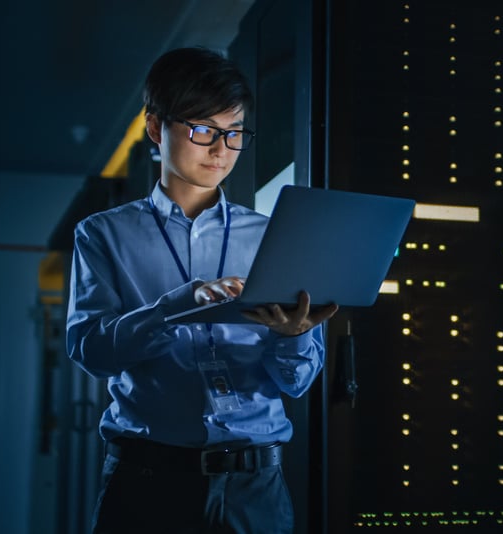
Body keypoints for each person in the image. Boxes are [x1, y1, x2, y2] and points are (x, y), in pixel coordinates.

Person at [66, 46, 338, 534]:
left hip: (256, 486)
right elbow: (92, 352)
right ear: (155, 128)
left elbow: (296, 382)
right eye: (203, 130)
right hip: (147, 481)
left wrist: (294, 334)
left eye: (234, 134)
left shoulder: (273, 235)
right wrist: (176, 306)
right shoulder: (103, 234)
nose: (220, 150)